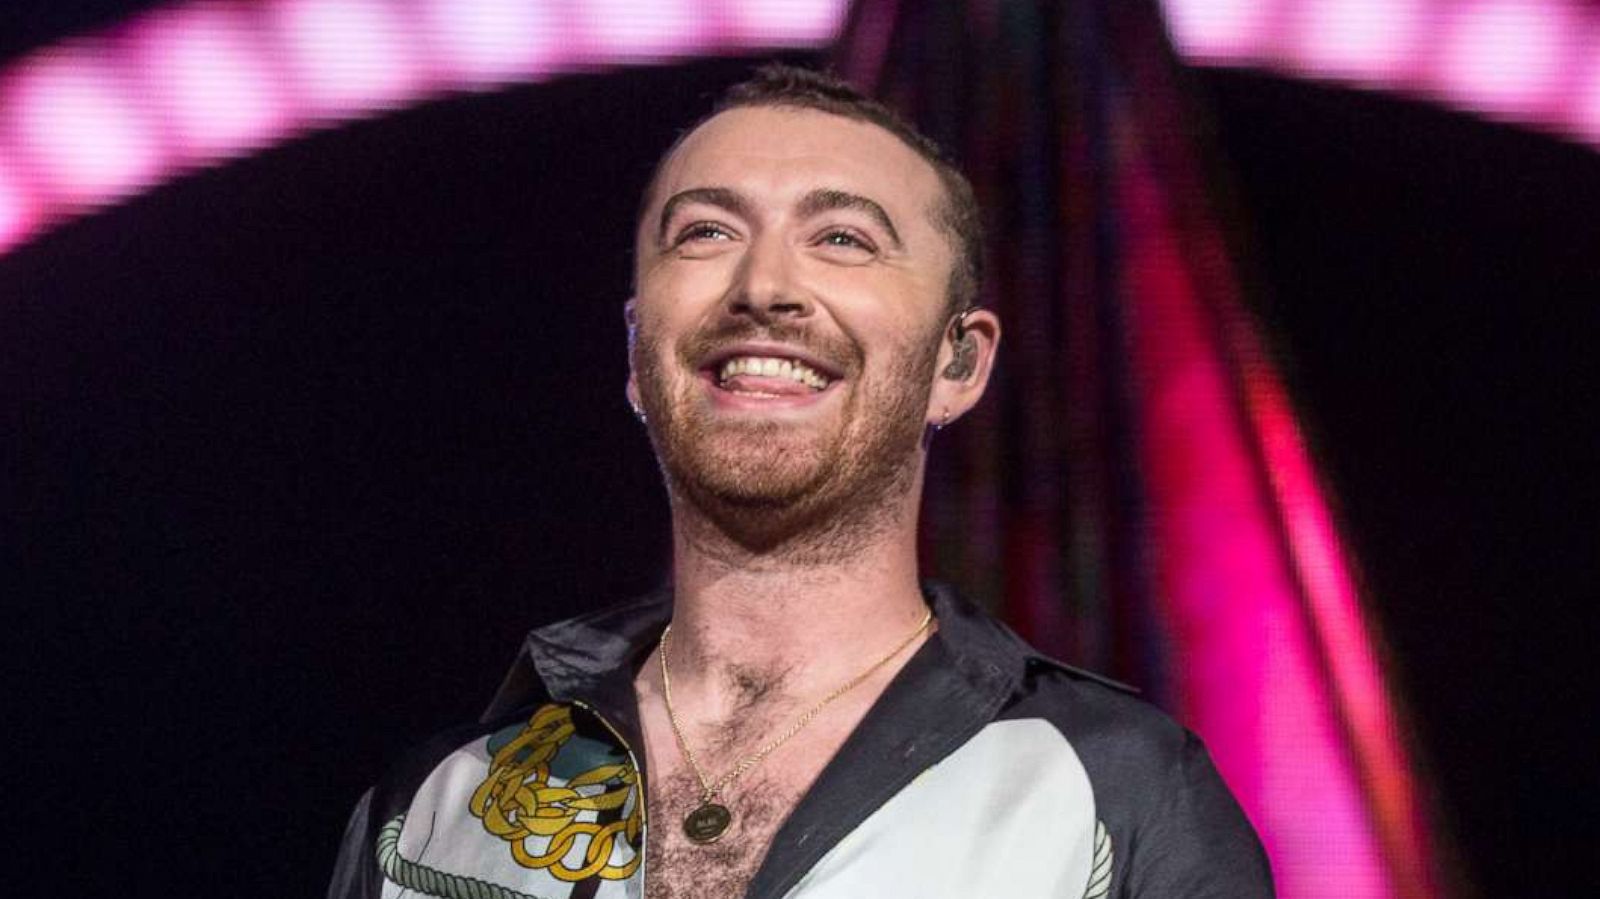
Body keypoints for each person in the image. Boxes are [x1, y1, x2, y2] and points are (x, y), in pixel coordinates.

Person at [328, 64, 1274, 899]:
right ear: (634, 351)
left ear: (959, 364)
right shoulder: (430, 811)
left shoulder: (1124, 793)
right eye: (704, 231)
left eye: (844, 239)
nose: (764, 286)